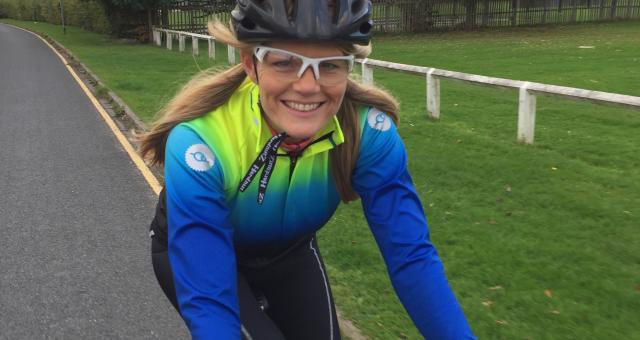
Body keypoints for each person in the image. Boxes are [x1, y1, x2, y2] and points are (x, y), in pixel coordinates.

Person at [139, 0, 476, 339]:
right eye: (284, 62)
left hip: (289, 252)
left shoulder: (368, 134)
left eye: (330, 65)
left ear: (349, 69)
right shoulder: (201, 143)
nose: (308, 86)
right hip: (198, 252)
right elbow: (211, 304)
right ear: (251, 65)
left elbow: (411, 257)